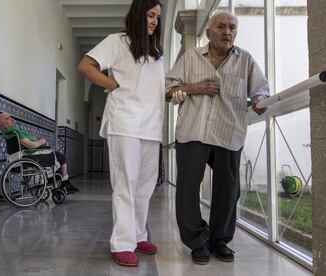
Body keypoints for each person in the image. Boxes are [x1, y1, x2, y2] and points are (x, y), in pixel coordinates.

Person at [165, 11, 269, 265]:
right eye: (221, 27)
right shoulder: (190, 58)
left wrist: (259, 101)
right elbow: (168, 90)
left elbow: (261, 91)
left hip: (228, 131)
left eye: (232, 27)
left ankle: (219, 240)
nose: (227, 32)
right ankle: (198, 242)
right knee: (188, 189)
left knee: (228, 190)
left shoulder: (246, 60)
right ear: (209, 32)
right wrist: (192, 88)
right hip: (193, 131)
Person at [77, 0, 164, 267]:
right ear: (138, 14)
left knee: (145, 186)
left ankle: (138, 236)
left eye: (158, 18)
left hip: (152, 126)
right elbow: (86, 66)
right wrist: (112, 83)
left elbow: (154, 89)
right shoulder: (117, 41)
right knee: (126, 183)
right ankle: (122, 243)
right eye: (150, 15)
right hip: (125, 122)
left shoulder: (156, 52)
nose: (154, 21)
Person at [0, 112, 79, 194]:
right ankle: (65, 182)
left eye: (11, 117)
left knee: (56, 157)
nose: (12, 119)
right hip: (28, 158)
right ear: (2, 124)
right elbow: (32, 145)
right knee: (61, 157)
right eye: (8, 118)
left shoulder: (7, 134)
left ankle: (58, 180)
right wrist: (42, 141)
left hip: (16, 159)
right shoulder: (16, 132)